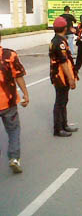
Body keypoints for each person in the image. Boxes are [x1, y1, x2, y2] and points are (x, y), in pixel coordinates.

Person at [0, 32, 29, 173]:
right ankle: (14, 158)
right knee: (13, 130)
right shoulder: (9, 55)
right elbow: (18, 76)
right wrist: (25, 94)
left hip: (8, 102)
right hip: (8, 102)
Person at [49, 17, 79, 137]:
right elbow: (63, 62)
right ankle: (58, 128)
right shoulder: (59, 42)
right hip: (60, 76)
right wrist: (70, 79)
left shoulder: (58, 40)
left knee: (63, 101)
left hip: (59, 75)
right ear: (64, 28)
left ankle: (64, 124)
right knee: (60, 102)